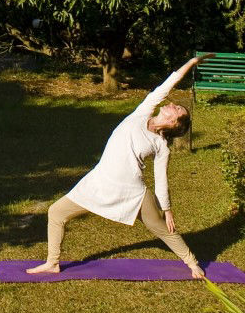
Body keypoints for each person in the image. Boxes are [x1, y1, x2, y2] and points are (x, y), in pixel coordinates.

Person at [27, 53, 215, 279]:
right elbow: (165, 87)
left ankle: (192, 262)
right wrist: (191, 63)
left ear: (175, 123)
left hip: (132, 193)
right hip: (98, 182)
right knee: (56, 212)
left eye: (178, 110)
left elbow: (161, 180)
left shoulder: (161, 146)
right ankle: (52, 263)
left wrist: (166, 210)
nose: (173, 105)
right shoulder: (142, 113)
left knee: (161, 230)